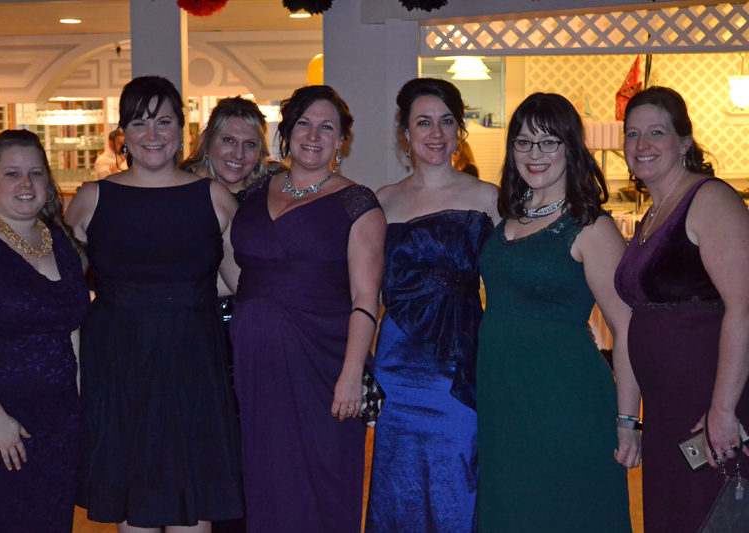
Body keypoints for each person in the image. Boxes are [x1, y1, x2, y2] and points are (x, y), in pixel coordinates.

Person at [66, 76, 243, 532]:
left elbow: (242, 283)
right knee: (133, 510)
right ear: (123, 132)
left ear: (182, 130)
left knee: (193, 508)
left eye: (164, 121)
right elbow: (63, 288)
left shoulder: (213, 197)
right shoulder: (91, 199)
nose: (152, 134)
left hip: (192, 365)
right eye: (140, 122)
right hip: (119, 366)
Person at [476, 93, 640, 531]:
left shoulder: (591, 226)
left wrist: (628, 420)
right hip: (503, 400)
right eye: (524, 142)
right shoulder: (508, 215)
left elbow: (626, 328)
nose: (535, 154)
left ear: (571, 147)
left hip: (566, 403)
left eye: (549, 142)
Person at [229, 85, 385, 532]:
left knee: (320, 479)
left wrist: (352, 375)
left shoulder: (358, 204)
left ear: (342, 142)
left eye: (327, 127)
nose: (314, 135)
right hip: (257, 367)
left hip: (324, 367)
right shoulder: (256, 191)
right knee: (266, 481)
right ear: (287, 131)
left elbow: (365, 298)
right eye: (304, 123)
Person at [365, 78, 499, 532]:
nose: (436, 133)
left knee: (456, 480)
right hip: (396, 369)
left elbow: (511, 286)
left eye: (446, 122)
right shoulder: (381, 202)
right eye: (423, 122)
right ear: (405, 132)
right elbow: (361, 290)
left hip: (457, 368)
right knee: (398, 485)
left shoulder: (489, 199)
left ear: (459, 130)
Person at [614, 86, 749, 532]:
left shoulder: (710, 200)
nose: (642, 145)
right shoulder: (653, 214)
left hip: (708, 403)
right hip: (668, 411)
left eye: (657, 132)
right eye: (633, 134)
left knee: (710, 517)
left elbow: (744, 307)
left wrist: (723, 412)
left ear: (685, 142)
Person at [0, 129, 89, 532]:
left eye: (36, 173)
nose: (26, 184)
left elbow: (71, 329)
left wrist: (79, 407)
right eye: (12, 173)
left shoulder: (59, 241)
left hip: (58, 428)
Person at [181, 96, 269, 203]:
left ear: (260, 151)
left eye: (250, 144)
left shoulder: (273, 190)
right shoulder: (180, 187)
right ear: (207, 140)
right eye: (228, 140)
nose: (239, 154)